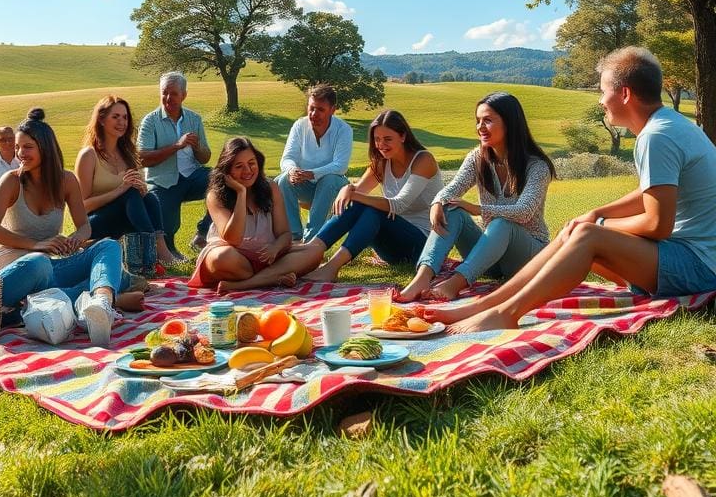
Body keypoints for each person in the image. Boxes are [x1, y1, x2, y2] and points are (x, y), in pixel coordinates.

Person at [424, 47, 716, 334]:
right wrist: (595, 213)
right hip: (688, 257)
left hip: (700, 266)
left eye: (603, 91)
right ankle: (484, 306)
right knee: (577, 229)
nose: (601, 100)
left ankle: (506, 313)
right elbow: (649, 192)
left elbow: (657, 224)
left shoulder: (656, 136)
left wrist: (599, 225)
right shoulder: (673, 126)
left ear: (625, 94)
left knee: (586, 235)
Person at [0, 108, 140, 346]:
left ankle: (102, 304)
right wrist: (36, 245)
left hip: (49, 266)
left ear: (45, 147)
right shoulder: (12, 180)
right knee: (41, 263)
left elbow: (84, 226)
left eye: (27, 147)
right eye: (17, 147)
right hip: (14, 271)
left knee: (107, 246)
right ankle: (98, 297)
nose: (19, 153)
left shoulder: (66, 180)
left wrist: (74, 239)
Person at [399, 92, 555, 302]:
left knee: (501, 223)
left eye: (488, 120)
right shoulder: (477, 157)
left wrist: (478, 209)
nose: (480, 127)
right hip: (491, 258)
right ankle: (422, 277)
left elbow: (524, 212)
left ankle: (455, 284)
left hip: (528, 257)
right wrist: (438, 202)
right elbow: (452, 189)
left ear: (510, 123)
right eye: (478, 121)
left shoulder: (537, 166)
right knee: (451, 207)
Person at [301, 110, 442, 283]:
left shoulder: (423, 160)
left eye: (388, 139)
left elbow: (399, 205)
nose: (381, 145)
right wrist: (349, 189)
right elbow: (358, 192)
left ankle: (331, 267)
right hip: (392, 245)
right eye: (377, 139)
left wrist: (352, 193)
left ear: (403, 136)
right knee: (360, 206)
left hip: (422, 245)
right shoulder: (382, 162)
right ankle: (311, 252)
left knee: (373, 210)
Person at [188, 137, 323, 294]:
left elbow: (285, 235)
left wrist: (275, 248)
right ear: (227, 171)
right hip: (234, 259)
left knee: (316, 251)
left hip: (267, 258)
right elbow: (233, 239)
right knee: (221, 258)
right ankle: (272, 278)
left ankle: (244, 284)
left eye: (251, 163)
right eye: (239, 166)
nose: (247, 171)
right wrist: (241, 193)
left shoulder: (270, 187)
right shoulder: (215, 196)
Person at [75, 95, 176, 267]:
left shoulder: (129, 155)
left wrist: (142, 189)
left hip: (127, 218)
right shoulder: (89, 155)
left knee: (149, 197)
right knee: (129, 194)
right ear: (101, 119)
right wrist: (120, 190)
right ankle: (156, 254)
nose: (122, 122)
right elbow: (82, 207)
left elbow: (139, 196)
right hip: (94, 224)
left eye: (125, 117)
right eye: (115, 117)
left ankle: (159, 249)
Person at [138, 72, 212, 259]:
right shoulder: (150, 121)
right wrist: (177, 146)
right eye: (164, 93)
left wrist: (196, 147)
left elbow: (205, 158)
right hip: (162, 180)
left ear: (184, 95)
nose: (168, 98)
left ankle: (202, 235)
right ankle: (170, 252)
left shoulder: (194, 119)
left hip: (192, 176)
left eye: (174, 93)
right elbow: (143, 158)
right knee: (167, 228)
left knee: (225, 180)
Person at [275, 84, 353, 241]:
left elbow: (340, 165)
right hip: (306, 185)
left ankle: (312, 239)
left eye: (320, 110)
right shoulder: (299, 125)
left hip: (334, 187)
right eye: (311, 108)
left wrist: (311, 173)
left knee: (329, 180)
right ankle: (293, 235)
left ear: (333, 109)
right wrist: (292, 171)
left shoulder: (343, 130)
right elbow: (287, 158)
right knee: (283, 180)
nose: (314, 114)